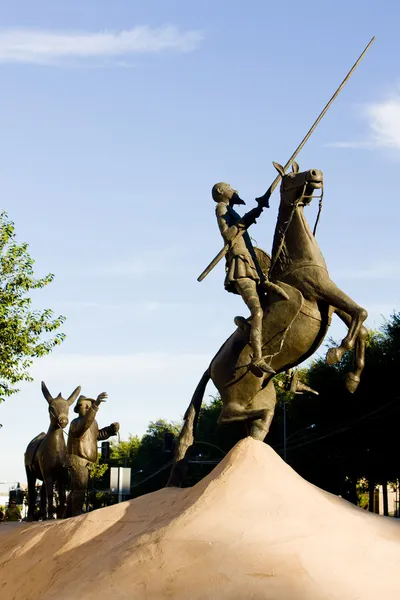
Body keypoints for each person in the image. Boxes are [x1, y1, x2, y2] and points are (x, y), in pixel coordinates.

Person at [212, 182, 288, 376]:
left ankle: (246, 326)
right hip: (240, 265)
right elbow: (228, 234)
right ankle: (257, 358)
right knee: (258, 311)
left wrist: (257, 210)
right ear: (221, 192)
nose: (233, 189)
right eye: (228, 186)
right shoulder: (221, 208)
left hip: (251, 264)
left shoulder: (230, 209)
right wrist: (246, 218)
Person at [64, 392, 119, 517]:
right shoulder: (76, 423)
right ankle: (76, 513)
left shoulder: (93, 423)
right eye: (86, 406)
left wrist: (110, 430)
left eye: (90, 406)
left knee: (78, 489)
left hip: (87, 463)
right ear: (78, 409)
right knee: (80, 487)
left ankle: (67, 514)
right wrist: (96, 405)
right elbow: (84, 425)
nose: (89, 408)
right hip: (77, 460)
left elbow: (97, 435)